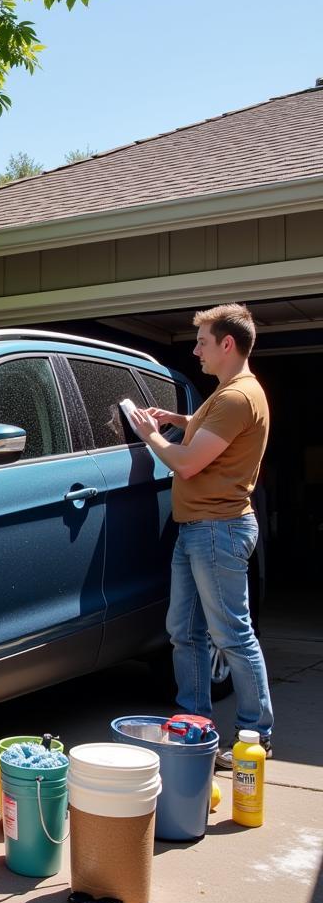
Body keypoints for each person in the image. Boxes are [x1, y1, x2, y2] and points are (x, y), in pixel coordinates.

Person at [128, 303, 273, 769]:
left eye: (203, 342)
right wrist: (177, 419)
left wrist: (153, 435)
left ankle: (255, 733)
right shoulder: (229, 394)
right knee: (184, 632)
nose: (197, 351)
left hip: (218, 530)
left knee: (231, 635)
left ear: (228, 344)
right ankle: (195, 727)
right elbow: (210, 435)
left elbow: (188, 463)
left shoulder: (237, 397)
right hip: (199, 530)